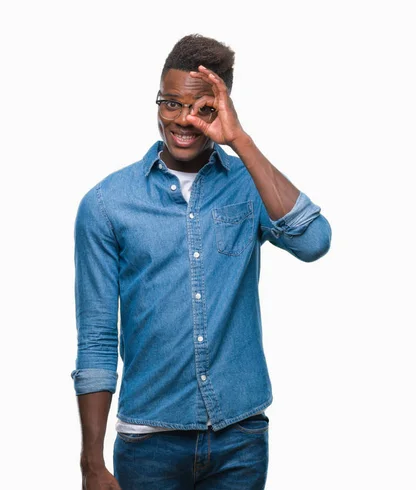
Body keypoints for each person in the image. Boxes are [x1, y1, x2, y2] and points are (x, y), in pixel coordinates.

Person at [71, 34, 331, 489]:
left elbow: (313, 241)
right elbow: (96, 337)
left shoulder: (249, 186)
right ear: (157, 103)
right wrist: (91, 462)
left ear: (223, 108)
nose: (184, 120)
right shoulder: (107, 203)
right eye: (171, 104)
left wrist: (240, 141)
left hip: (239, 438)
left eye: (202, 108)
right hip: (148, 444)